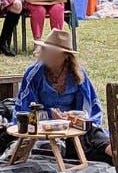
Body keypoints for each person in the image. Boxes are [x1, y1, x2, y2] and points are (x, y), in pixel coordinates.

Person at [14, 28, 110, 160]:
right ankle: (113, 152)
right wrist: (49, 116)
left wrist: (71, 117)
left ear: (66, 56)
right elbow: (26, 108)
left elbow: (90, 108)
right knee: (88, 147)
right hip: (45, 127)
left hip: (72, 127)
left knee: (89, 133)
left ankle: (115, 152)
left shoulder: (78, 75)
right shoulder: (34, 74)